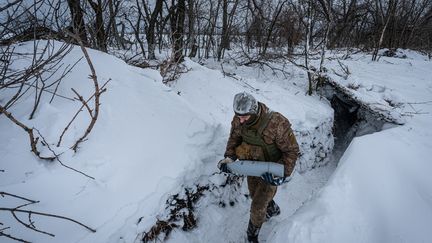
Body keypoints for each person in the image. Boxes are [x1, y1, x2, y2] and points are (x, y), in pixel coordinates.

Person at [218, 92, 299, 243]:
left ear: (254, 111)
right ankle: (272, 209)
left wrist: (280, 172)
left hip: (271, 169)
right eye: (238, 116)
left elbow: (292, 151)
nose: (241, 120)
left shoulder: (277, 123)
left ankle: (252, 236)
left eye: (245, 117)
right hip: (251, 166)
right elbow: (234, 138)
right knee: (254, 194)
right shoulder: (239, 118)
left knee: (257, 205)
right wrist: (229, 157)